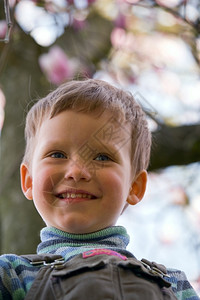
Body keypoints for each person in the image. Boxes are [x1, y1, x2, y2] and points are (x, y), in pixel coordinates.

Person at [0, 79, 198, 300]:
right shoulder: (10, 275)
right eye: (57, 154)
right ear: (29, 181)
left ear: (134, 186)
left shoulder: (173, 284)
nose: (76, 171)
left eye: (102, 157)